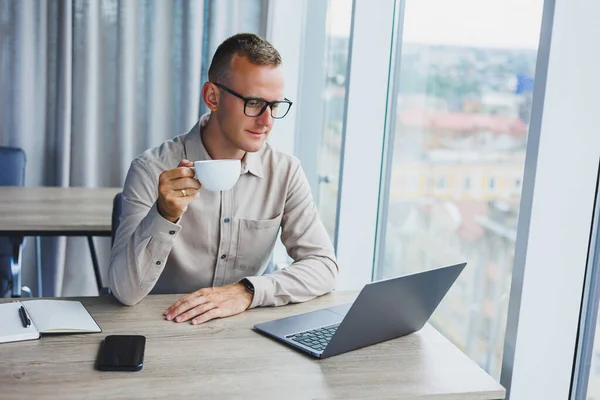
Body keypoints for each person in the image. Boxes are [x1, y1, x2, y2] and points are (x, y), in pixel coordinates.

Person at [108, 33, 338, 325]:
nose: (267, 121)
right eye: (254, 103)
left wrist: (247, 292)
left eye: (275, 106)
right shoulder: (151, 168)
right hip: (163, 329)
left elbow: (323, 267)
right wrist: (164, 215)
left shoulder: (285, 171)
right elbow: (124, 292)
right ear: (212, 97)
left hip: (243, 337)